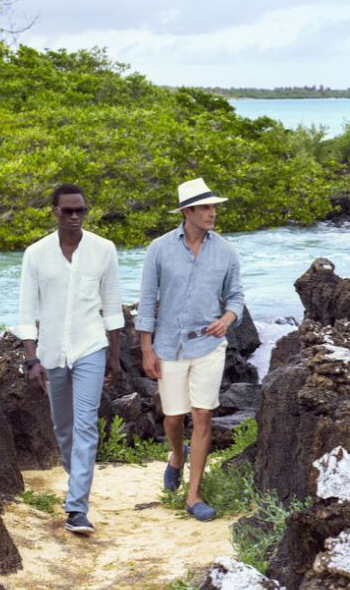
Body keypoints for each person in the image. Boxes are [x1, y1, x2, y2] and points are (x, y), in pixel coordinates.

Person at [13, 184, 123, 535]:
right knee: (63, 428)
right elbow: (27, 311)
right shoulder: (36, 254)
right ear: (54, 212)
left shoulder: (104, 250)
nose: (75, 217)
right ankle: (77, 483)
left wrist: (114, 357)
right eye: (67, 211)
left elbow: (113, 307)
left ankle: (77, 508)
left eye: (81, 211)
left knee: (86, 423)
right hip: (51, 353)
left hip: (91, 346)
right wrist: (32, 360)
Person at [135, 177, 245, 522]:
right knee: (172, 417)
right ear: (188, 212)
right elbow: (147, 302)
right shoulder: (159, 249)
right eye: (206, 207)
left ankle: (193, 495)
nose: (213, 213)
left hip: (210, 346)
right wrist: (146, 350)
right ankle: (176, 457)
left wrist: (227, 318)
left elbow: (237, 298)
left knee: (202, 415)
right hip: (168, 346)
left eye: (214, 207)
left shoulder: (226, 251)